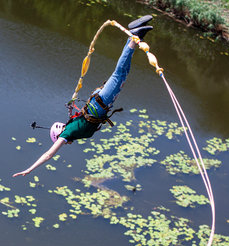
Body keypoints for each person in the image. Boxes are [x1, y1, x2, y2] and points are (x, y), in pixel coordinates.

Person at [13, 16, 153, 177]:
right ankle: (136, 37)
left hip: (101, 102)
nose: (66, 144)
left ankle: (133, 37)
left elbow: (49, 154)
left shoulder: (67, 133)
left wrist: (30, 169)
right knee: (122, 74)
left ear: (59, 136)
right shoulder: (72, 127)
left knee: (119, 74)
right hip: (101, 102)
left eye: (62, 142)